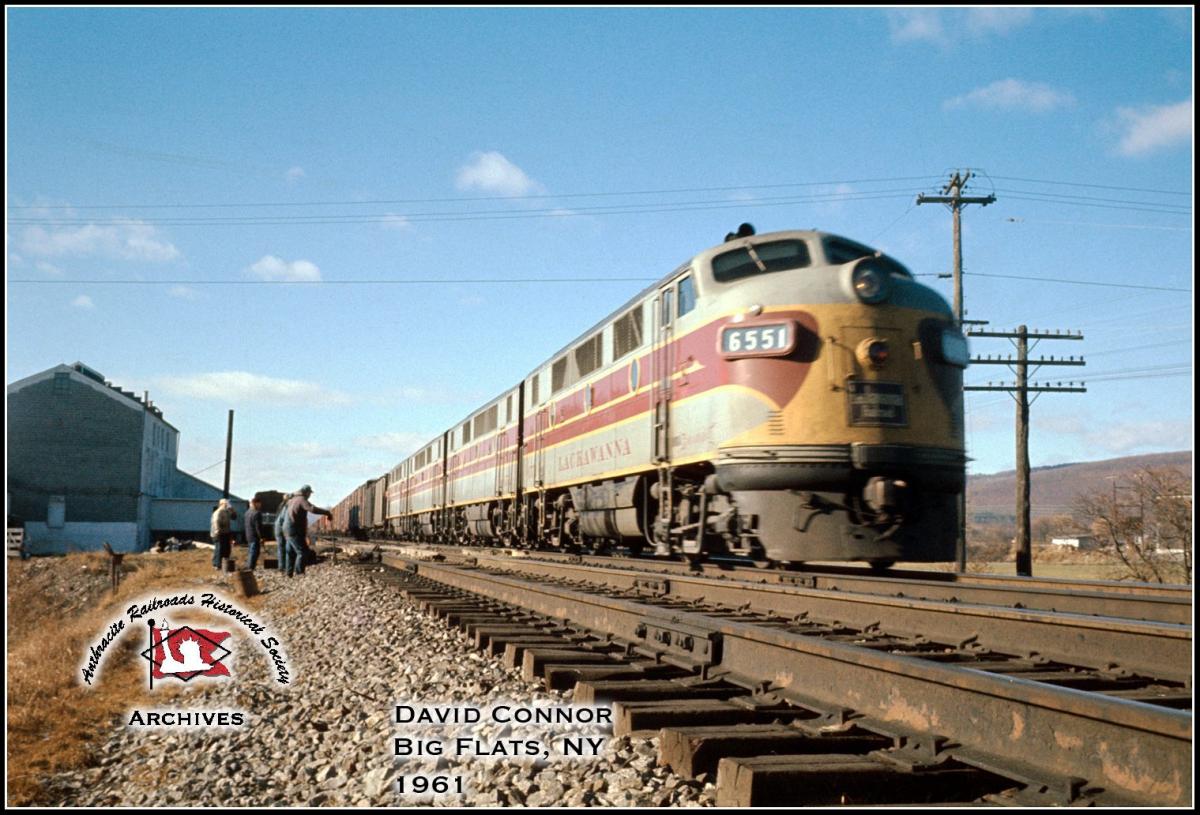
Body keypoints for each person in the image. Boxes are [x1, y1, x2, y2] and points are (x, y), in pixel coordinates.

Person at [282, 485, 332, 577]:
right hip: (294, 529)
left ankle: (289, 573)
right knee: (302, 551)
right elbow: (312, 509)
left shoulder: (292, 500)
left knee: (290, 552)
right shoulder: (301, 499)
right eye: (309, 493)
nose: (310, 495)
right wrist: (326, 512)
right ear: (306, 492)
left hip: (287, 528)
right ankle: (299, 573)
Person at [210, 498, 237, 570]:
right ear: (221, 504)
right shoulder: (218, 512)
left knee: (226, 548)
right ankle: (217, 564)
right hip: (218, 533)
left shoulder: (227, 511)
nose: (227, 505)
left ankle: (225, 563)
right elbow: (216, 522)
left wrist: (232, 509)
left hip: (225, 532)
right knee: (219, 549)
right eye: (226, 504)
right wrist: (217, 531)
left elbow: (234, 517)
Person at [244, 497, 263, 571]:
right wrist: (261, 537)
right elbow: (258, 527)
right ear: (256, 503)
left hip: (248, 534)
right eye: (259, 503)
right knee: (254, 552)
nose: (260, 505)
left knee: (250, 551)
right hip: (254, 535)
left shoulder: (247, 512)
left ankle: (249, 565)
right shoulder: (257, 513)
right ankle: (251, 567)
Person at [274, 494, 291, 574]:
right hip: (281, 528)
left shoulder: (281, 505)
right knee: (285, 548)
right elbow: (282, 520)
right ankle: (283, 567)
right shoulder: (286, 507)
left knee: (281, 548)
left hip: (278, 528)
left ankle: (282, 566)